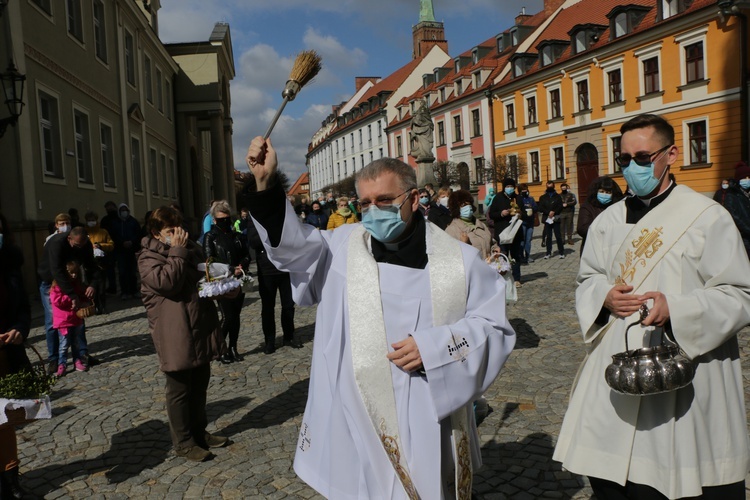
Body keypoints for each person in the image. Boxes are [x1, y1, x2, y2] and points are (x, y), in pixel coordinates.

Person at [245, 136, 516, 499]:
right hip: (353, 416)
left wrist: (435, 349)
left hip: (425, 413)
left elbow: (494, 329)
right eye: (365, 203)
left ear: (414, 198)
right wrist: (265, 183)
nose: (374, 211)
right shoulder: (341, 249)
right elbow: (291, 249)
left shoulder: (460, 263)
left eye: (385, 201)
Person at [553, 113, 750, 499]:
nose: (632, 168)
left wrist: (676, 308)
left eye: (643, 157)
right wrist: (604, 296)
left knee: (673, 479)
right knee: (612, 479)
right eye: (625, 159)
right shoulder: (607, 221)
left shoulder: (707, 218)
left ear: (671, 154)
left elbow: (740, 292)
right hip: (617, 366)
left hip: (685, 365)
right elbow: (588, 278)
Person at [138, 206, 229, 462]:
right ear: (157, 233)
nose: (178, 234)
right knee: (179, 390)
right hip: (174, 332)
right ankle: (184, 443)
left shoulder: (189, 248)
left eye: (180, 228)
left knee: (200, 384)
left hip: (198, 325)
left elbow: (202, 277)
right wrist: (178, 251)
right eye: (171, 230)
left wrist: (223, 284)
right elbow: (168, 283)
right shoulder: (147, 258)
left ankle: (200, 433)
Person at [37, 227, 100, 375]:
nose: (80, 248)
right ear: (69, 239)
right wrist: (72, 295)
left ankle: (82, 354)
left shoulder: (85, 244)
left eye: (83, 245)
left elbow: (91, 265)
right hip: (51, 283)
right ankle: (54, 359)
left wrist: (92, 285)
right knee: (53, 322)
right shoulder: (57, 243)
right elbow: (56, 270)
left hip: (73, 282)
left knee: (78, 318)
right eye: (77, 245)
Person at [0, 212, 32, 499]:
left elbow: (23, 308)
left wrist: (20, 329)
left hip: (6, 355)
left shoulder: (10, 263)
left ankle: (10, 479)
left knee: (4, 420)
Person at [203, 200, 251, 363]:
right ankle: (220, 348)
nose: (225, 222)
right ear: (215, 220)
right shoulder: (210, 236)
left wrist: (241, 265)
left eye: (227, 218)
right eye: (221, 219)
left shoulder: (237, 236)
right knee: (227, 316)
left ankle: (233, 347)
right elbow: (209, 260)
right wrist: (230, 269)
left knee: (236, 316)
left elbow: (247, 255)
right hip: (221, 281)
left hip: (239, 279)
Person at [246, 212, 299, 355]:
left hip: (285, 267)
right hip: (266, 270)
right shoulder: (254, 216)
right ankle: (269, 341)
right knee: (268, 308)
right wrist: (270, 232)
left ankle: (289, 336)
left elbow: (293, 235)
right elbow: (253, 241)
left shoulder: (282, 213)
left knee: (288, 305)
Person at [49, 260, 90, 376]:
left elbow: (81, 296)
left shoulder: (75, 285)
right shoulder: (57, 286)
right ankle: (62, 363)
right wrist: (71, 298)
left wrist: (84, 301)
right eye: (71, 273)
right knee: (64, 344)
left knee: (75, 342)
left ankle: (77, 360)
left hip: (75, 319)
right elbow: (57, 301)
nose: (74, 275)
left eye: (76, 273)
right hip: (63, 320)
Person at [488, 178, 523, 288]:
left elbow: (525, 213)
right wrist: (501, 213)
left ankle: (517, 278)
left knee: (516, 256)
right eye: (507, 186)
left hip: (515, 233)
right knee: (503, 256)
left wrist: (520, 214)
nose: (510, 188)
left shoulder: (518, 198)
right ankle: (502, 278)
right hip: (502, 232)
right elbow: (492, 214)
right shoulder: (498, 198)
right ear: (504, 187)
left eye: (511, 186)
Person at [576, 176, 624, 252]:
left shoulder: (617, 206)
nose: (604, 194)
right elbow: (582, 229)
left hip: (613, 249)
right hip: (593, 248)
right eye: (601, 191)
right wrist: (605, 230)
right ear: (596, 192)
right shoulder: (588, 206)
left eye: (608, 192)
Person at [713, 163, 750, 258]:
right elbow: (734, 216)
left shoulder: (746, 194)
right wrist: (747, 228)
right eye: (745, 178)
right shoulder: (732, 195)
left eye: (749, 177)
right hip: (742, 238)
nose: (747, 180)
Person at [444, 189, 492, 259]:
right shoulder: (451, 230)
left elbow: (491, 242)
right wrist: (463, 244)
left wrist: (495, 248)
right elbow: (450, 257)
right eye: (463, 205)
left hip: (487, 267)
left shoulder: (481, 224)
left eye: (469, 204)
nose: (468, 207)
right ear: (456, 208)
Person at [84, 211, 114, 314]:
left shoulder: (103, 232)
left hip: (101, 262)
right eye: (89, 220)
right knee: (92, 286)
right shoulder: (84, 232)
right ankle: (95, 305)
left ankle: (103, 305)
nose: (91, 222)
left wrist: (100, 245)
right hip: (89, 262)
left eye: (93, 220)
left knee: (101, 286)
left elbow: (111, 245)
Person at [110, 203, 141, 299]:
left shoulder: (133, 221)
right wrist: (122, 242)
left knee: (132, 272)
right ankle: (124, 292)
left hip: (131, 250)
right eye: (122, 210)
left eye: (125, 210)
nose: (124, 212)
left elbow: (138, 234)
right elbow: (113, 235)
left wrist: (132, 242)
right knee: (122, 272)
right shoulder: (115, 222)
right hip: (120, 251)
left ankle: (134, 290)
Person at [537, 181, 565, 259]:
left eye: (551, 186)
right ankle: (548, 252)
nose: (549, 188)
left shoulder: (558, 196)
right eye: (548, 186)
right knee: (548, 236)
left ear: (554, 186)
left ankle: (561, 252)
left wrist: (554, 212)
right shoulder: (542, 197)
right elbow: (540, 207)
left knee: (558, 236)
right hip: (547, 218)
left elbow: (560, 206)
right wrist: (548, 212)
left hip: (555, 218)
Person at [99, 201, 119, 294]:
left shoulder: (119, 218)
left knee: (122, 269)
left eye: (110, 208)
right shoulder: (105, 220)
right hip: (109, 247)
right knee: (110, 269)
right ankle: (112, 287)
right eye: (107, 208)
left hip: (120, 246)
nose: (109, 210)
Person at [517, 184, 537, 264]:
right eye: (523, 190)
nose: (525, 192)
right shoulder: (519, 199)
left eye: (526, 190)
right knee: (522, 240)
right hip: (522, 222)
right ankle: (521, 256)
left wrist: (532, 208)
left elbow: (536, 207)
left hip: (530, 222)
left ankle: (528, 255)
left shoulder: (531, 199)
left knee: (528, 240)